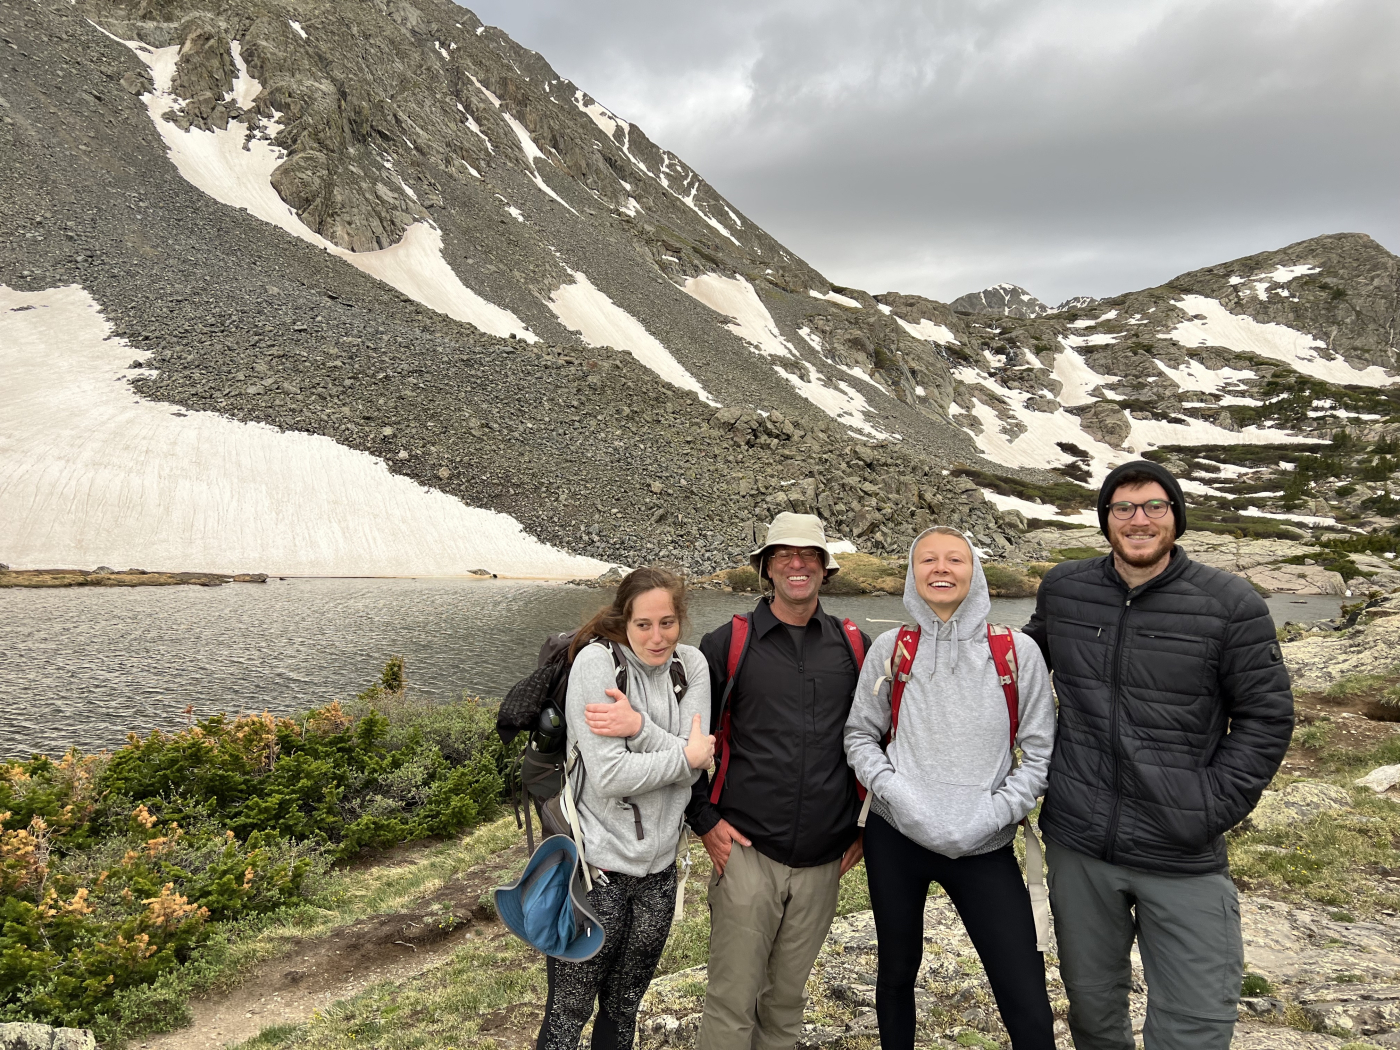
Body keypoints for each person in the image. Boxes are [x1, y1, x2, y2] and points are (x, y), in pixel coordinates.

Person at [1024, 460, 1294, 1050]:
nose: (1139, 520)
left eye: (1154, 506)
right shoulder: (1065, 589)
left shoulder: (1230, 603)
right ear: (1106, 519)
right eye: (1123, 507)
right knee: (1093, 1011)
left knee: (1196, 1024)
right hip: (1078, 842)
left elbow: (1266, 717)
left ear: (1176, 516)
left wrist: (1207, 807)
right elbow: (1014, 670)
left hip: (1181, 851)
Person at [845, 526, 1057, 1050]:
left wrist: (995, 813)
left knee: (1025, 993)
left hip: (985, 842)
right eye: (928, 560)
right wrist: (895, 792)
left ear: (974, 571)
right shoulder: (893, 649)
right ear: (913, 574)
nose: (941, 569)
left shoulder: (1017, 652)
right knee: (897, 973)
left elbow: (1039, 754)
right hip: (896, 836)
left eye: (955, 559)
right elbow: (859, 735)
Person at [686, 512, 869, 1050]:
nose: (797, 564)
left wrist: (866, 827)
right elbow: (690, 740)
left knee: (786, 1003)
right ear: (766, 567)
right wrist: (704, 820)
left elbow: (874, 743)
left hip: (825, 861)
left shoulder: (854, 646)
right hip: (747, 851)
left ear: (825, 568)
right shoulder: (727, 643)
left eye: (809, 554)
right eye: (784, 554)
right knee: (731, 1001)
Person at [535, 567, 715, 1050]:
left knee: (624, 1007)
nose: (657, 638)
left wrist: (637, 728)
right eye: (643, 625)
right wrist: (685, 755)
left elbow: (694, 770)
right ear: (623, 620)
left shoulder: (692, 666)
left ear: (681, 619)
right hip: (598, 875)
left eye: (668, 623)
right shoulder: (596, 664)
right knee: (568, 1013)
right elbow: (611, 776)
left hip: (660, 875)